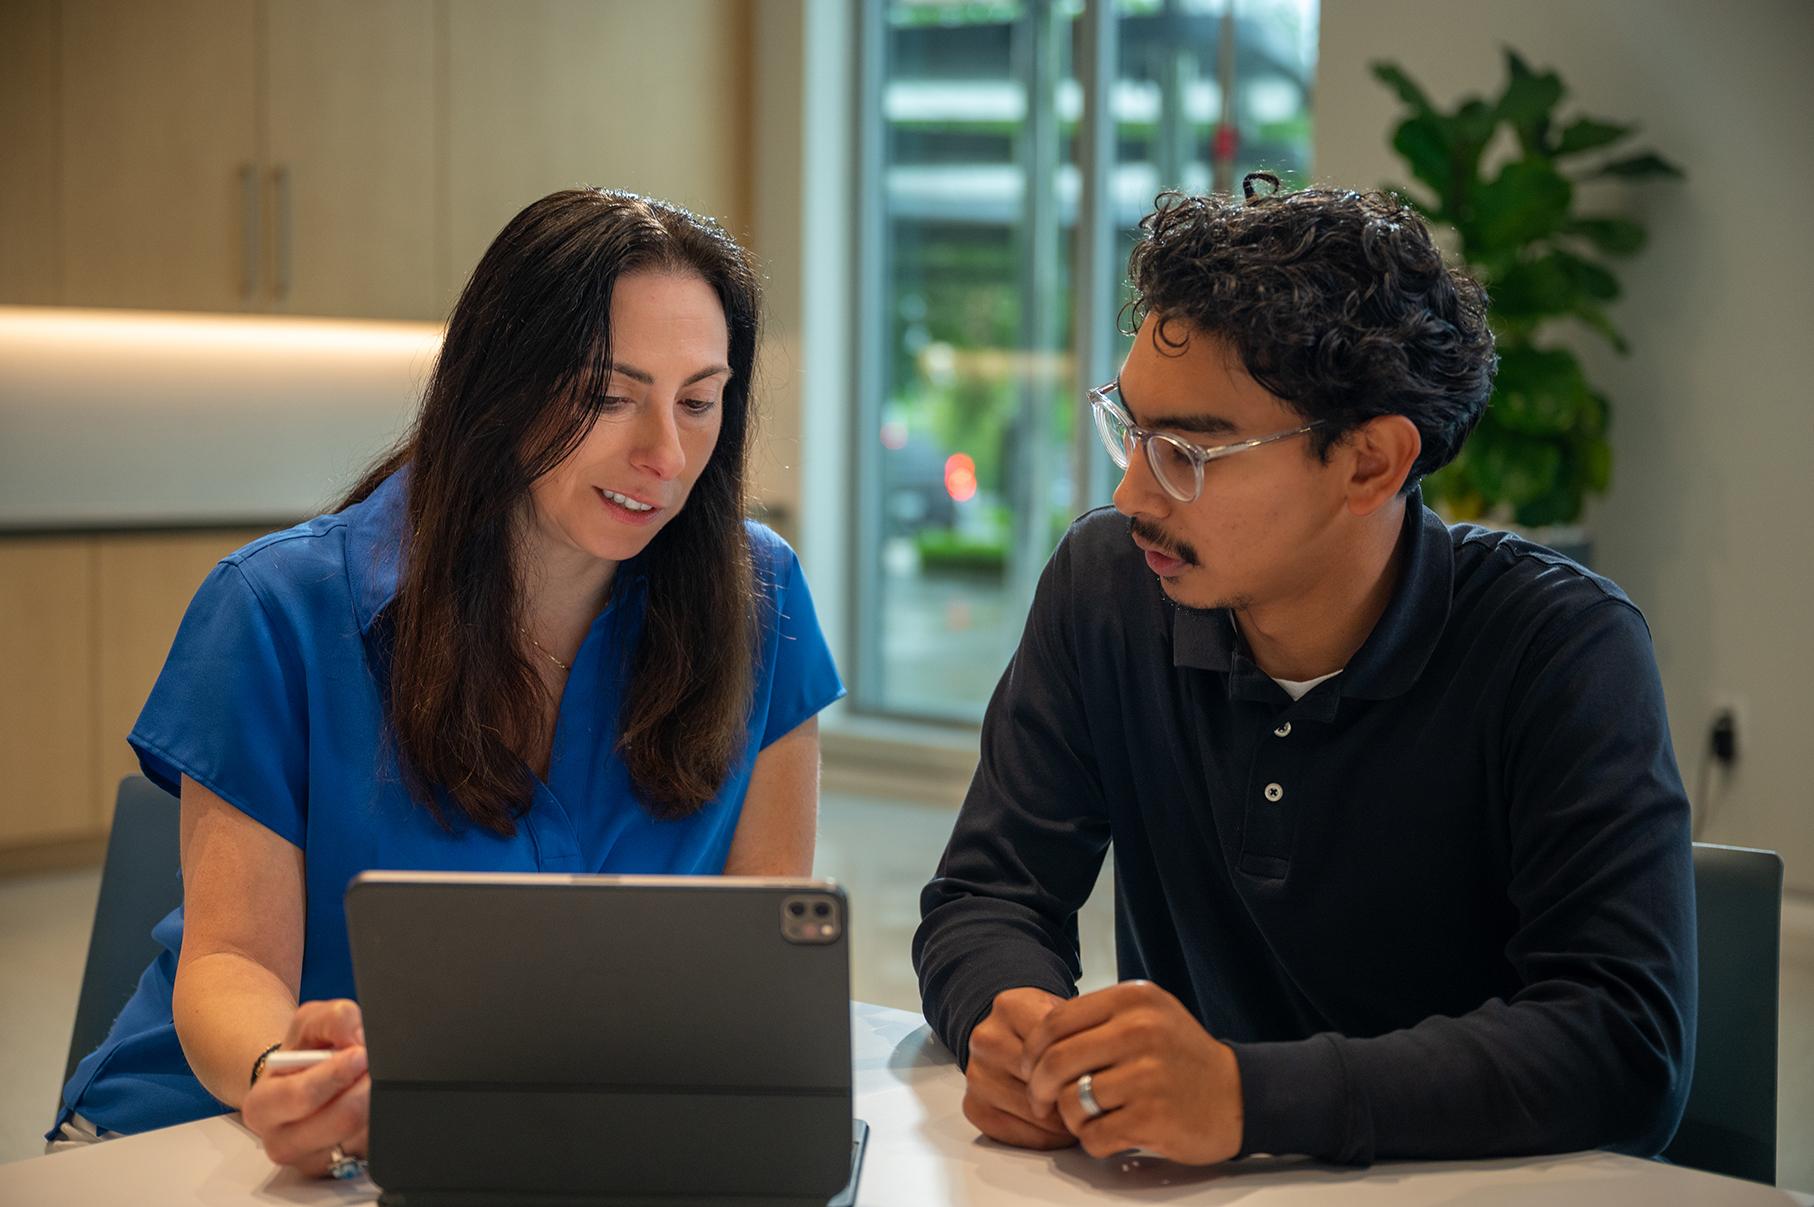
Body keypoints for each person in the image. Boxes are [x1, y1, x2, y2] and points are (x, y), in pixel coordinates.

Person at [51, 189, 844, 1176]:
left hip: (556, 1146)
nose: (665, 454)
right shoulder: (277, 607)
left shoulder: (756, 594)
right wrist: (286, 1076)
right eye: (608, 394)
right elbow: (232, 964)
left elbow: (754, 969)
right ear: (501, 383)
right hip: (215, 1138)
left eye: (697, 399)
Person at [913, 179, 1695, 1168]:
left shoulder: (1559, 648)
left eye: (1189, 452)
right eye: (1130, 429)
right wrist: (1014, 1020)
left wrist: (1246, 1096)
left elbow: (1620, 1041)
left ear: (1369, 463)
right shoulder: (1107, 587)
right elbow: (988, 894)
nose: (1129, 491)